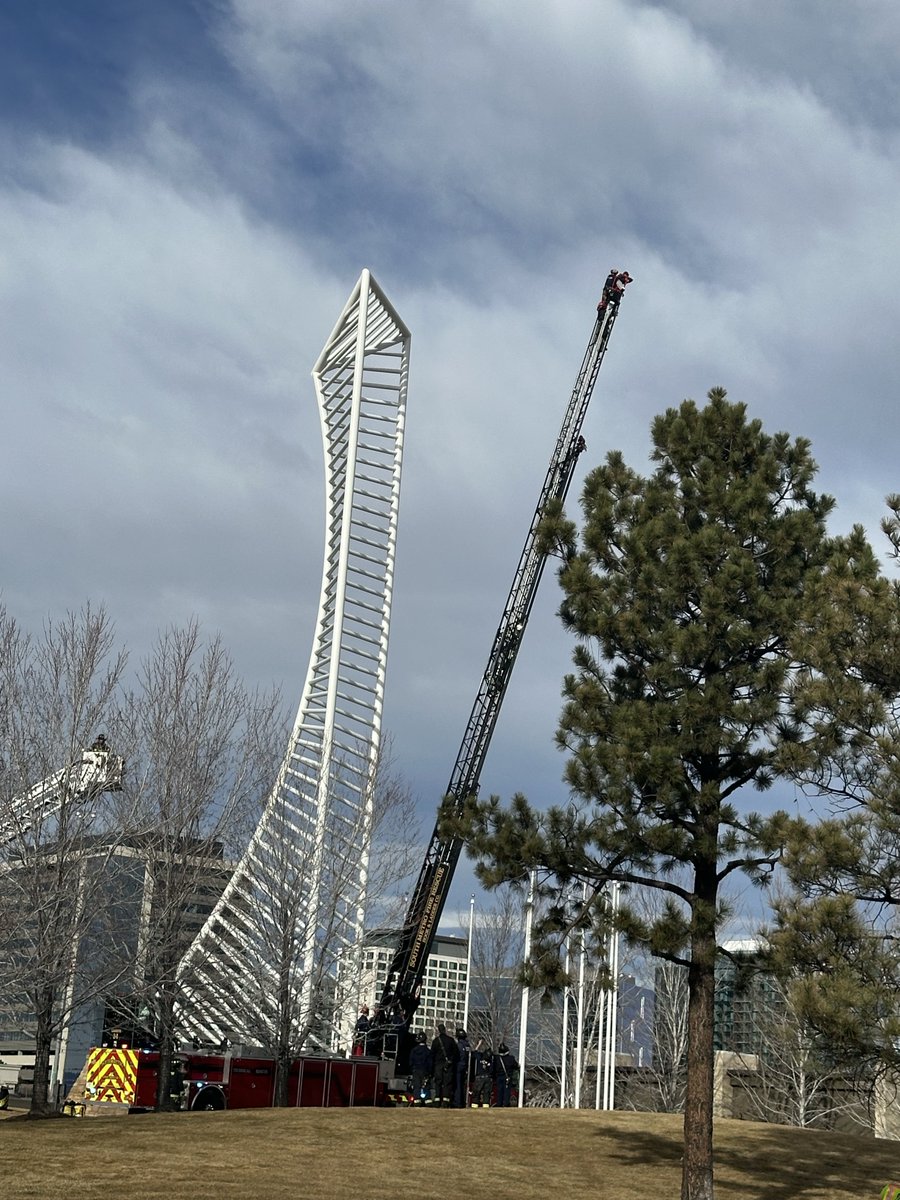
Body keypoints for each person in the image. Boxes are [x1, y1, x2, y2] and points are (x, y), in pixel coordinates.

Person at [429, 1024, 458, 1108]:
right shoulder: (451, 1040)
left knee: (438, 1083)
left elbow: (432, 1055)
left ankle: (437, 1101)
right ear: (445, 1030)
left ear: (438, 1030)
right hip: (448, 1065)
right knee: (447, 1084)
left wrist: (432, 1069)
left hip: (438, 1065)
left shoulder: (436, 1041)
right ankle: (446, 1102)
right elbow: (456, 1054)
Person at [407, 1031, 432, 1106]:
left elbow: (410, 1062)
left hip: (416, 1071)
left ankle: (417, 1102)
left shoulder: (414, 1051)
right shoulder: (428, 1051)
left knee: (416, 1087)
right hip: (425, 1071)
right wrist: (430, 1072)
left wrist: (412, 1070)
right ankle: (428, 1103)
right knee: (426, 1087)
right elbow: (430, 1063)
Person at [493, 1042, 518, 1107]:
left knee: (499, 1091)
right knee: (506, 1091)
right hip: (507, 1077)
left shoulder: (497, 1058)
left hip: (499, 1077)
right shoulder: (511, 1058)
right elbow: (515, 1066)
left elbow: (494, 1068)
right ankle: (506, 1103)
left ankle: (499, 1103)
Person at [470, 1043, 494, 1108]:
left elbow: (474, 1052)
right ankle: (486, 1107)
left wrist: (479, 1044)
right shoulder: (491, 1061)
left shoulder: (479, 1056)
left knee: (476, 1093)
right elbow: (492, 1071)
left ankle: (474, 1106)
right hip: (488, 1078)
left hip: (479, 1077)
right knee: (486, 1094)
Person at [454, 1028, 471, 1108]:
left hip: (459, 1066)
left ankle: (458, 1102)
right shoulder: (467, 1045)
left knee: (458, 1085)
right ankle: (464, 1101)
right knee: (463, 1085)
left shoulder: (459, 1045)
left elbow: (457, 1056)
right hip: (466, 1067)